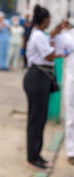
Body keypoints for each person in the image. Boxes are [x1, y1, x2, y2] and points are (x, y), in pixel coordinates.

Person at [23, 5, 63, 169]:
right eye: (48, 20)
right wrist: (65, 51)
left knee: (38, 119)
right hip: (37, 78)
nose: (49, 23)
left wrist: (55, 34)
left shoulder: (39, 34)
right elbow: (49, 54)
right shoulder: (38, 35)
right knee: (36, 120)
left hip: (39, 77)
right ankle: (33, 157)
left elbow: (48, 43)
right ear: (43, 20)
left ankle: (35, 154)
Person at [55, 21, 74, 165]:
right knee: (71, 117)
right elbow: (50, 41)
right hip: (71, 81)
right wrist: (58, 28)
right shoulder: (67, 37)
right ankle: (71, 151)